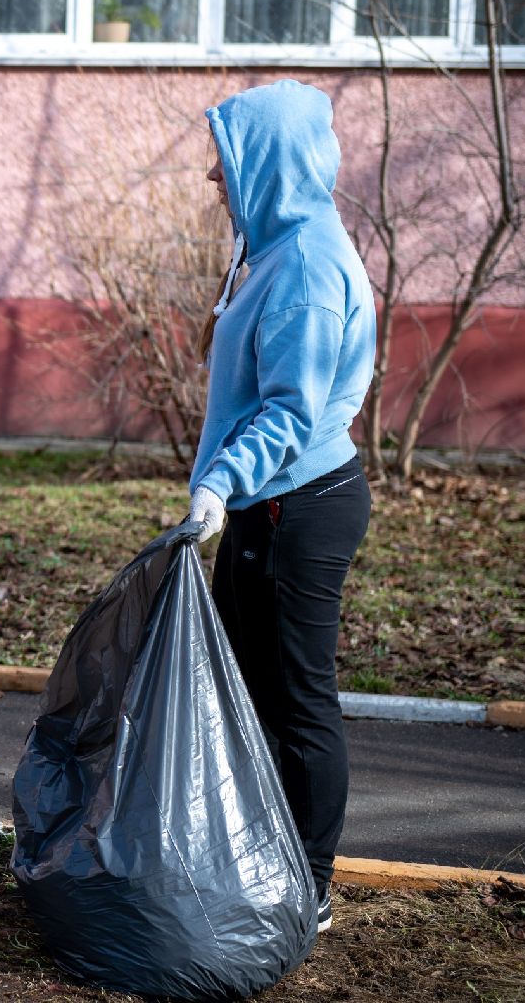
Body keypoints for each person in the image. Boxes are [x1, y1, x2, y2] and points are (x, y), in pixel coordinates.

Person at [186, 80, 376, 934]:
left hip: (295, 506)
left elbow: (291, 412)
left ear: (267, 162)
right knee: (248, 688)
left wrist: (220, 482)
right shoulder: (276, 248)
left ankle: (310, 882)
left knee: (296, 697)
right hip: (270, 500)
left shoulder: (304, 261)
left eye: (224, 162)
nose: (212, 179)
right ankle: (262, 859)